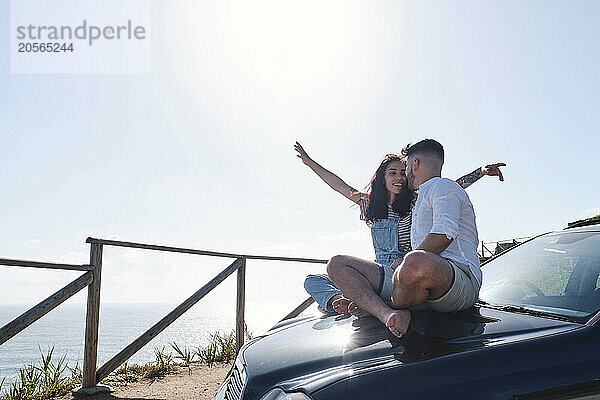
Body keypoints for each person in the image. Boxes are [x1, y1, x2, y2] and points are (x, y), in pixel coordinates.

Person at [294, 142, 504, 314]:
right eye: (392, 173)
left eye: (403, 172)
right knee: (314, 280)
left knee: (410, 270)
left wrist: (481, 172)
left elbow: (448, 188)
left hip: (408, 269)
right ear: (382, 178)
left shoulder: (417, 200)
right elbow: (337, 184)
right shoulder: (370, 204)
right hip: (381, 269)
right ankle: (336, 301)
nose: (399, 177)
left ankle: (368, 301)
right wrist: (309, 162)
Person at [327, 139, 482, 338]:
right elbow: (342, 187)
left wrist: (403, 262)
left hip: (458, 279)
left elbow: (445, 234)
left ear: (414, 164)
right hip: (414, 281)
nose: (405, 173)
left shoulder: (443, 186)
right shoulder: (419, 200)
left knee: (414, 261)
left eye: (406, 166)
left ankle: (374, 306)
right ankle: (388, 313)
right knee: (337, 264)